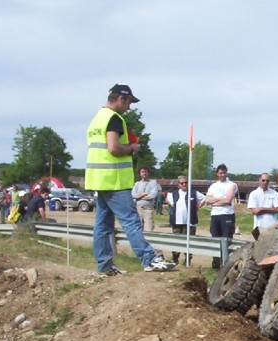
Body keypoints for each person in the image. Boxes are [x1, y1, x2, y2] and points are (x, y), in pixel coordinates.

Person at [84, 83, 175, 275]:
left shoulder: (97, 119)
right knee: (131, 221)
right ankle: (149, 259)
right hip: (114, 181)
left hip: (99, 181)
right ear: (121, 98)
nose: (129, 107)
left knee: (102, 225)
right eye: (129, 102)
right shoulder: (114, 119)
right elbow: (114, 148)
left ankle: (105, 266)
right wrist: (132, 149)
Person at [202, 163, 238, 269]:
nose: (222, 175)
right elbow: (207, 200)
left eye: (224, 172)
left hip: (227, 215)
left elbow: (228, 200)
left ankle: (226, 263)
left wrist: (215, 201)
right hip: (215, 215)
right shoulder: (213, 186)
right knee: (215, 238)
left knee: (226, 238)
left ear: (226, 173)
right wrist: (220, 199)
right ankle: (216, 263)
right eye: (220, 173)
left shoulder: (232, 185)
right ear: (217, 174)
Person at [167, 176, 203, 265]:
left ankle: (188, 260)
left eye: (186, 183)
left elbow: (204, 199)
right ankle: (175, 258)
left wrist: (198, 206)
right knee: (176, 241)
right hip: (177, 222)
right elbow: (169, 202)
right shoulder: (174, 193)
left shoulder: (194, 193)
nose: (184, 184)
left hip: (190, 222)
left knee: (189, 242)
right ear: (178, 184)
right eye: (182, 183)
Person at [132, 165, 160, 232]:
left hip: (148, 208)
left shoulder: (153, 183)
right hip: (138, 208)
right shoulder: (137, 184)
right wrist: (144, 194)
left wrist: (139, 197)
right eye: (142, 172)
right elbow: (133, 195)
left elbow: (152, 195)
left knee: (149, 227)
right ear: (140, 174)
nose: (144, 173)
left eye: (146, 171)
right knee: (138, 227)